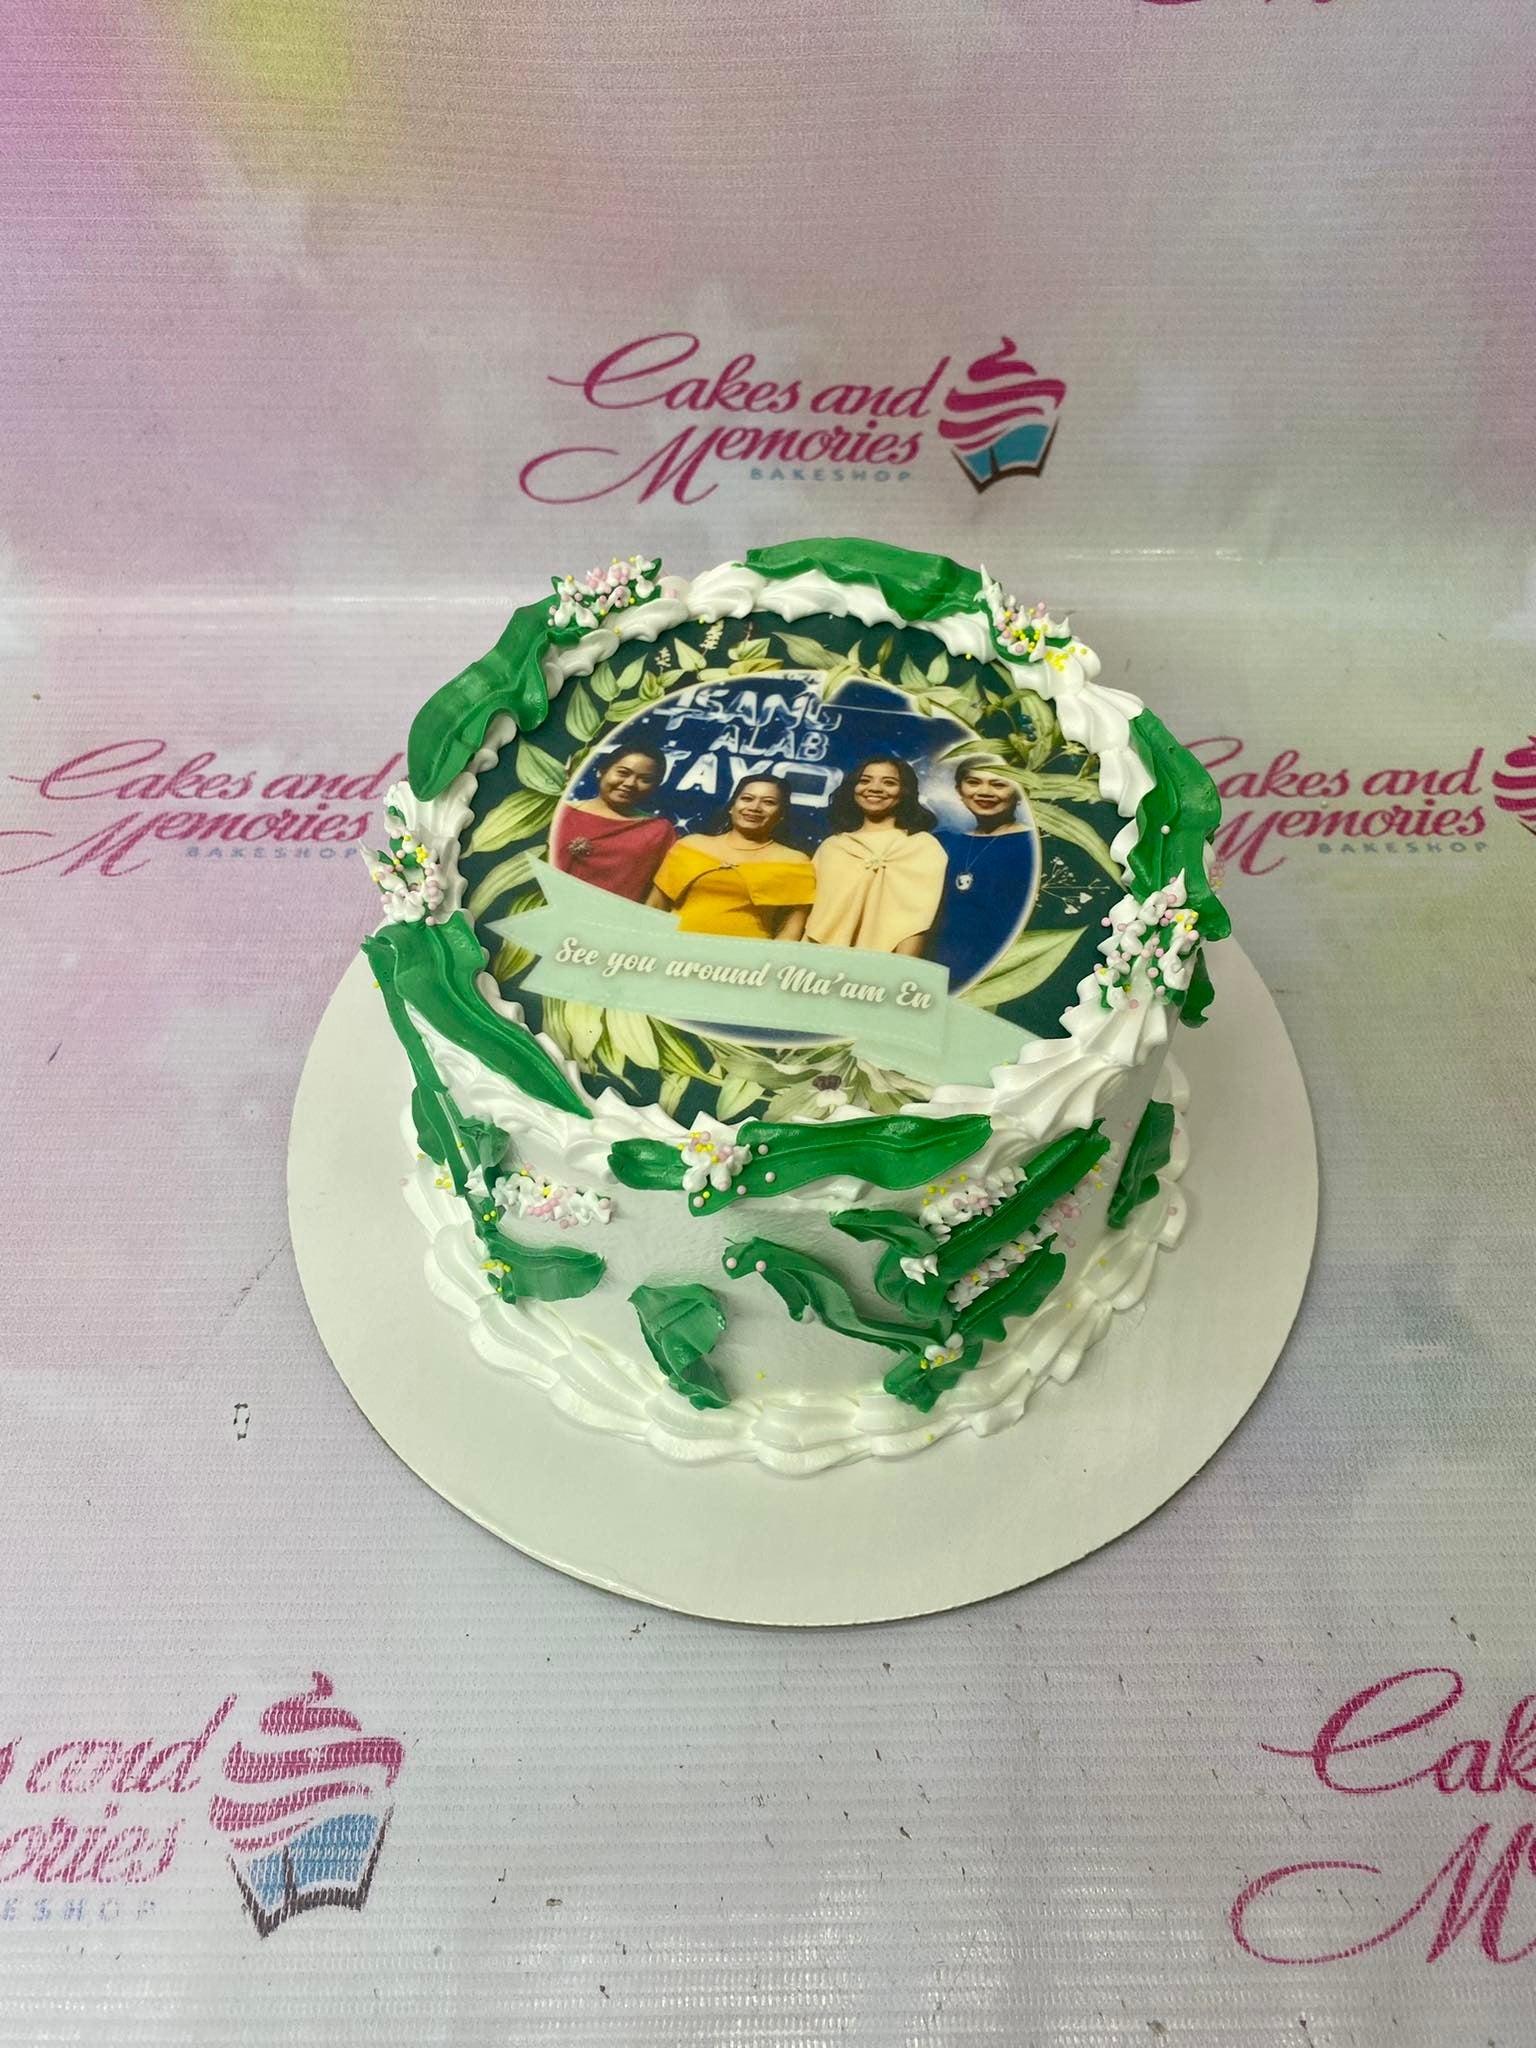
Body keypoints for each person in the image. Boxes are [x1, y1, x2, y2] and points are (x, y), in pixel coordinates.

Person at [804, 755, 947, 957]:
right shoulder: (832, 847)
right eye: (865, 780)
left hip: (883, 968)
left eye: (889, 782)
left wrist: (903, 974)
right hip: (816, 961)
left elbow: (916, 922)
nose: (874, 788)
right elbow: (810, 914)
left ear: (904, 791)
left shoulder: (921, 847)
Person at [646, 776, 815, 939]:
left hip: (744, 962)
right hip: (673, 953)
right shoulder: (690, 846)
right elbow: (655, 906)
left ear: (782, 814)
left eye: (769, 802)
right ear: (732, 806)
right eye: (747, 798)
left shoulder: (795, 862)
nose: (755, 807)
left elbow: (791, 929)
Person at [926, 760, 1039, 990]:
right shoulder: (944, 842)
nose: (984, 792)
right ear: (959, 790)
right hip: (936, 968)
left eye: (998, 784)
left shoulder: (1033, 847)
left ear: (1020, 793)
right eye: (973, 782)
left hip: (996, 972)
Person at [550, 745, 676, 903]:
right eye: (623, 773)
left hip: (609, 922)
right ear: (601, 771)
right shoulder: (561, 813)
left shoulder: (658, 831)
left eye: (645, 780)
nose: (630, 783)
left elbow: (659, 894)